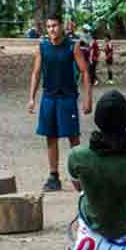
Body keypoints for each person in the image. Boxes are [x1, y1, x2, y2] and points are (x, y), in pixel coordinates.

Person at [68, 89, 126, 240]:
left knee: (86, 193)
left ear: (98, 119)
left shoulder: (77, 155)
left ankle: (85, 235)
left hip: (93, 220)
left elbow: (79, 188)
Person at [28, 15, 95, 192]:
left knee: (73, 137)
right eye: (49, 26)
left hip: (67, 97)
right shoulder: (42, 47)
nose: (52, 29)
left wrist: (88, 99)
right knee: (50, 136)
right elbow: (36, 73)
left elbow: (85, 72)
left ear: (61, 27)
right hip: (49, 97)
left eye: (55, 26)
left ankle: (80, 174)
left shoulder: (72, 46)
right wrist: (31, 98)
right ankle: (53, 176)